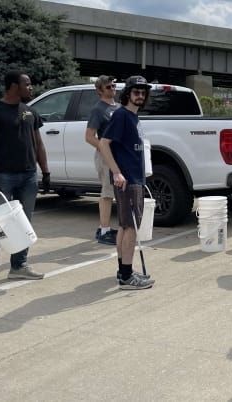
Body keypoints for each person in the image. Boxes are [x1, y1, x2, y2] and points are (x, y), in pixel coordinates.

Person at [0, 71, 50, 285]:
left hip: (29, 175)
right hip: (3, 176)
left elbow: (38, 144)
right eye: (28, 84)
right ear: (14, 86)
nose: (31, 88)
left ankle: (19, 266)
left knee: (24, 222)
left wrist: (46, 171)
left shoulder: (30, 112)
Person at [99, 76, 156, 290]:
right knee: (131, 227)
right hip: (128, 180)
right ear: (128, 94)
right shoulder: (122, 115)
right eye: (136, 92)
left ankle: (124, 270)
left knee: (125, 226)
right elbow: (104, 144)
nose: (140, 95)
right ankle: (126, 277)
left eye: (143, 92)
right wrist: (117, 172)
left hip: (135, 178)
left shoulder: (133, 117)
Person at [85, 75, 120, 245]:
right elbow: (89, 136)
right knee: (107, 193)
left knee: (118, 192)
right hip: (105, 156)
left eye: (114, 85)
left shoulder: (119, 107)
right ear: (99, 91)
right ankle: (104, 230)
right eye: (108, 87)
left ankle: (108, 228)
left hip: (120, 155)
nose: (112, 88)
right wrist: (104, 148)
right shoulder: (98, 110)